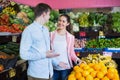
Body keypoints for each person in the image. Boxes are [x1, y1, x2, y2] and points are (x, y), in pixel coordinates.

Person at [20, 3, 59, 80]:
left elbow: (47, 52)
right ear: (44, 14)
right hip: (37, 75)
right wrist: (43, 55)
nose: (49, 17)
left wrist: (57, 62)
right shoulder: (29, 30)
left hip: (49, 73)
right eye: (49, 14)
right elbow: (23, 54)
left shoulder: (45, 29)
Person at [50, 14, 84, 80]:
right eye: (59, 20)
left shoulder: (70, 37)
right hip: (53, 68)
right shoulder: (51, 35)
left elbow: (71, 53)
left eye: (63, 21)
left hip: (65, 68)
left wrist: (77, 59)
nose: (61, 23)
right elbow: (48, 51)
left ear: (67, 23)